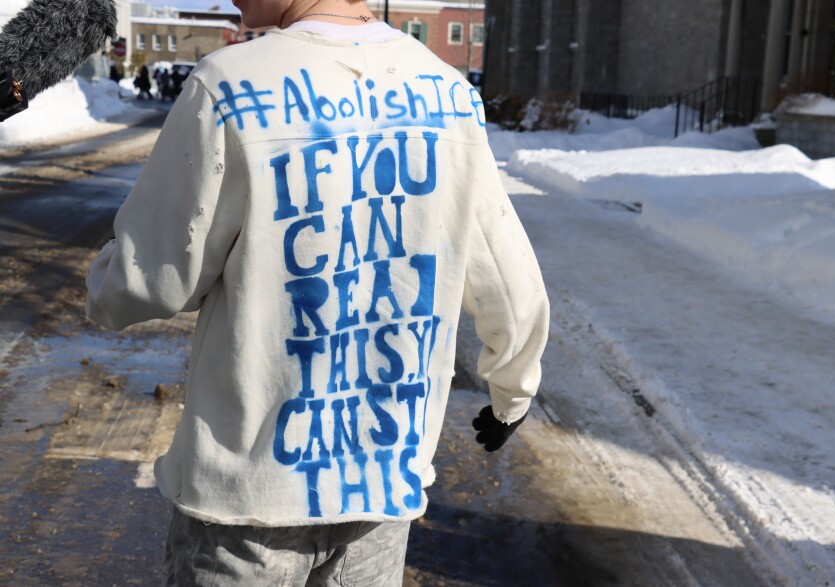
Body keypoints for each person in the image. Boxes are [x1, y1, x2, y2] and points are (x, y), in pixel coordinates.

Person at [84, 0, 549, 584]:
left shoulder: (229, 85)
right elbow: (506, 272)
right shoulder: (447, 93)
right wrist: (513, 390)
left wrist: (105, 283)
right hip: (379, 487)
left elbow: (151, 277)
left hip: (248, 498)